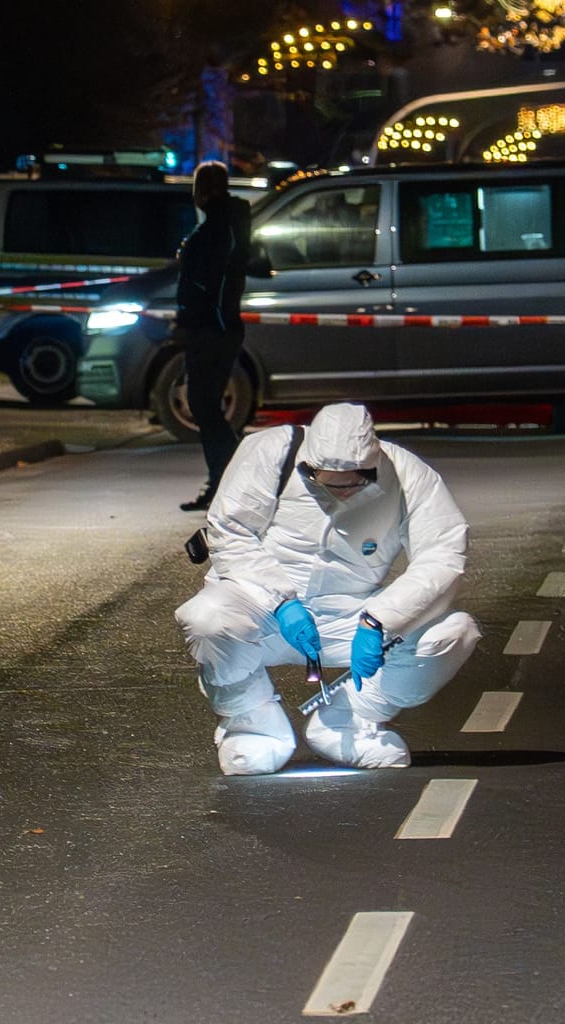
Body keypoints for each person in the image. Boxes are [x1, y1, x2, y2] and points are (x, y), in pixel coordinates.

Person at [175, 402, 481, 775]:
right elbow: (230, 531)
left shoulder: (407, 474)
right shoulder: (271, 451)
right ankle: (251, 725)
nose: (341, 492)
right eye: (325, 480)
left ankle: (349, 720)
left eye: (355, 482)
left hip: (350, 616)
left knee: (452, 634)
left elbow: (442, 555)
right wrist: (280, 600)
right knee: (207, 618)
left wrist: (380, 620)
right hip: (262, 608)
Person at [174, 160, 254, 512]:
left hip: (211, 330)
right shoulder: (223, 226)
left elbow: (216, 282)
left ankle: (230, 479)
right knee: (205, 408)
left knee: (205, 407)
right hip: (210, 327)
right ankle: (226, 481)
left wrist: (207, 323)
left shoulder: (219, 229)